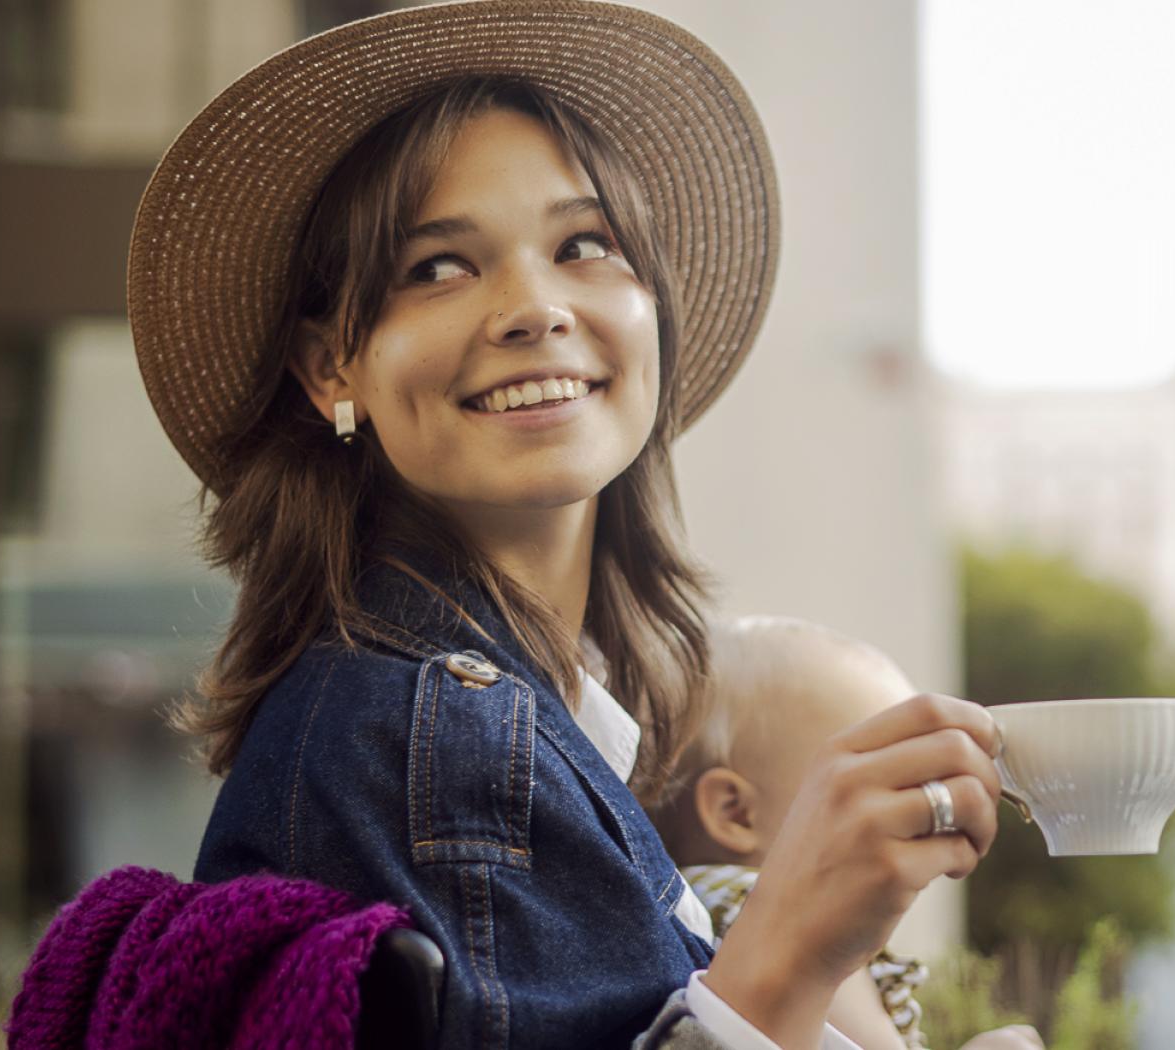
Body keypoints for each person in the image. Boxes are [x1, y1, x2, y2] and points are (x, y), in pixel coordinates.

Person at [128, 5, 1004, 1046]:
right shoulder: (436, 736)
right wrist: (790, 945)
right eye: (438, 266)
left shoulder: (521, 714)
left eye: (585, 244)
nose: (533, 307)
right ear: (333, 370)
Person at [652, 616, 1043, 1050]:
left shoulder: (674, 916)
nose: (925, 796)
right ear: (736, 811)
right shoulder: (783, 916)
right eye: (877, 772)